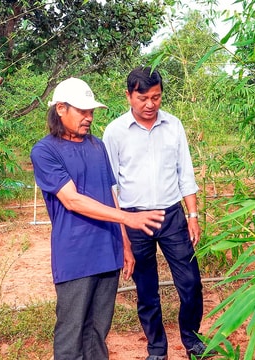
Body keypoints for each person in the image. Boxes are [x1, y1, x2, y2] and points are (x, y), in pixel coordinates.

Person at [30, 77, 165, 359]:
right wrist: (129, 219)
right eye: (83, 111)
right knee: (72, 332)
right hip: (75, 255)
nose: (89, 117)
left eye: (91, 112)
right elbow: (72, 200)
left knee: (97, 331)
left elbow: (110, 193)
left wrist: (125, 245)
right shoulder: (45, 151)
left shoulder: (96, 146)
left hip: (107, 250)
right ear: (61, 109)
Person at [103, 67, 214, 360]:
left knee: (190, 282)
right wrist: (123, 231)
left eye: (157, 97)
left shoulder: (173, 126)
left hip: (171, 215)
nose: (150, 104)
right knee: (147, 288)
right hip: (134, 218)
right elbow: (110, 185)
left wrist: (192, 215)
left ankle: (192, 339)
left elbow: (185, 173)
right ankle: (156, 348)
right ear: (128, 96)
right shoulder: (114, 132)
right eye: (143, 98)